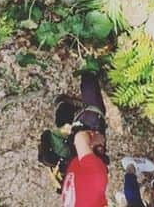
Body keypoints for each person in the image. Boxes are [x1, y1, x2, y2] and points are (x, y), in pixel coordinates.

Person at [38, 70, 111, 206]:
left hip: (82, 155)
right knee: (68, 127)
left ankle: (89, 66)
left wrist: (96, 139)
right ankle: (64, 107)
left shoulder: (96, 180)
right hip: (72, 163)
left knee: (95, 113)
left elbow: (80, 139)